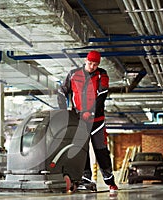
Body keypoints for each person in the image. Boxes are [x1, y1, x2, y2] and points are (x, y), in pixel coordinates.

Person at [57, 50, 118, 193]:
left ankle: (110, 181)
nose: (92, 67)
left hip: (97, 121)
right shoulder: (73, 74)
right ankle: (85, 179)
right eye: (90, 63)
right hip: (80, 121)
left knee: (101, 151)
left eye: (95, 64)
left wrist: (90, 112)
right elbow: (62, 91)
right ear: (86, 60)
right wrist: (64, 111)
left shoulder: (102, 75)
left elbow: (101, 95)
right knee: (81, 150)